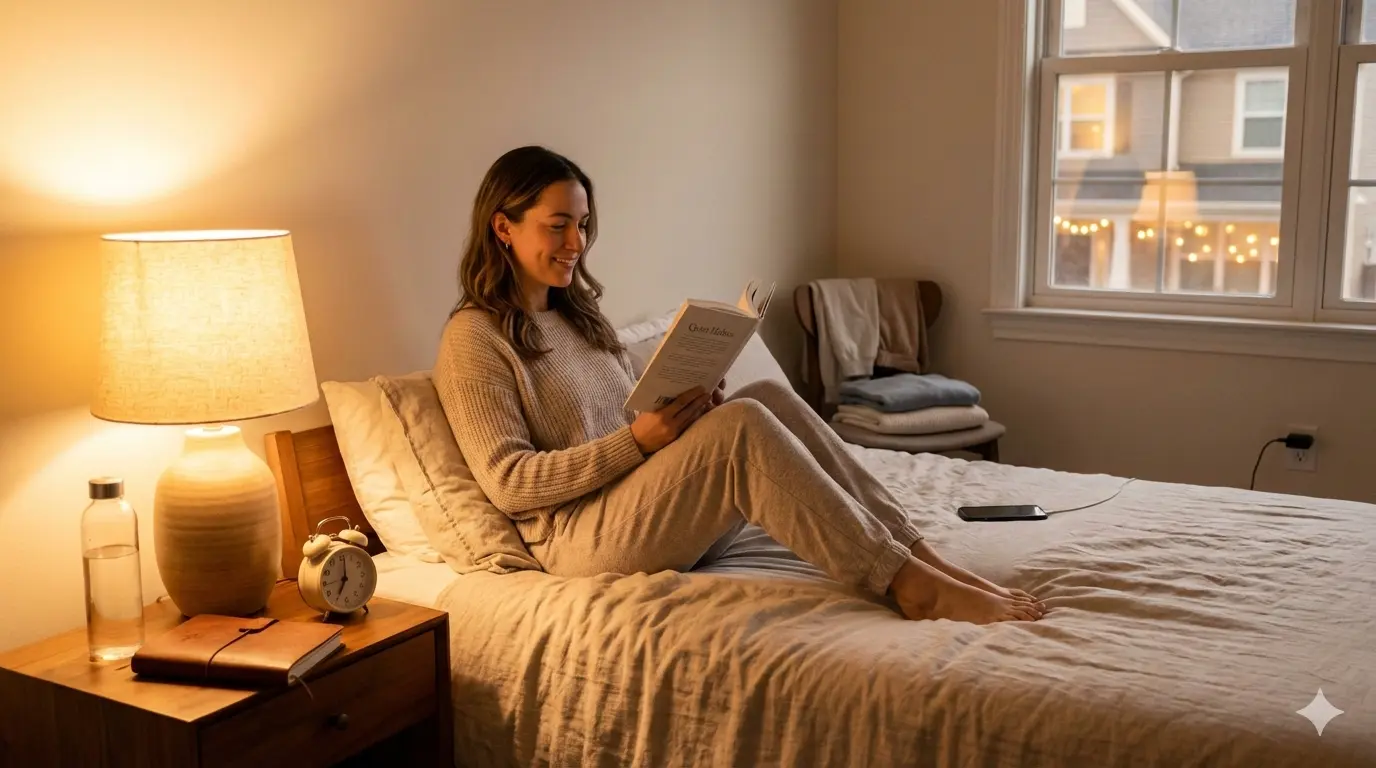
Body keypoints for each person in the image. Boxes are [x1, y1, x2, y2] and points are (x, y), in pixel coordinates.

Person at [434, 145, 1043, 624]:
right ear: (504, 227)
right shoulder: (474, 338)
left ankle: (915, 553)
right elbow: (509, 482)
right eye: (558, 226)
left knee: (763, 398)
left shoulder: (577, 315)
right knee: (743, 426)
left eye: (584, 225)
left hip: (640, 504)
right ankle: (909, 585)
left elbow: (627, 418)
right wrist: (639, 442)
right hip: (578, 539)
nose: (577, 243)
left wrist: (686, 405)